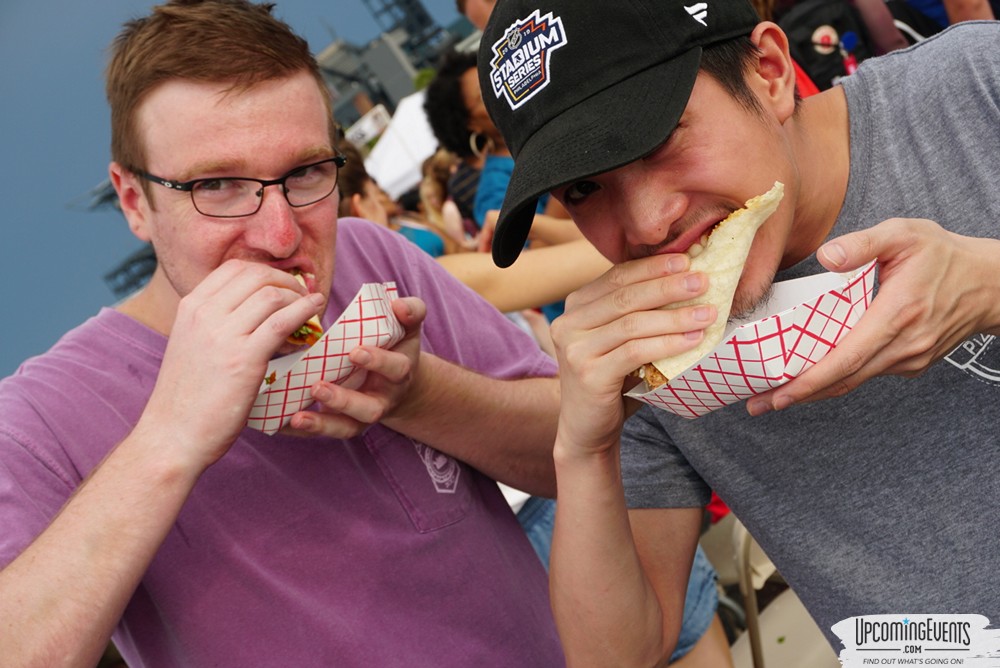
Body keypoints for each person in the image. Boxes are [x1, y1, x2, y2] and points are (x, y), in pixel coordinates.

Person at [0, 2, 567, 666]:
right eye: (218, 185)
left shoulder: (373, 259)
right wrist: (169, 439)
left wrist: (419, 396)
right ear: (135, 203)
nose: (279, 236)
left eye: (304, 173)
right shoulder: (39, 417)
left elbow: (576, 454)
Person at [480, 0, 1000, 664]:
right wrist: (582, 450)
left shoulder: (974, 89)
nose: (644, 226)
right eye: (583, 189)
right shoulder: (650, 353)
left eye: (660, 135)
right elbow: (623, 654)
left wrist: (987, 285)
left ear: (771, 72)